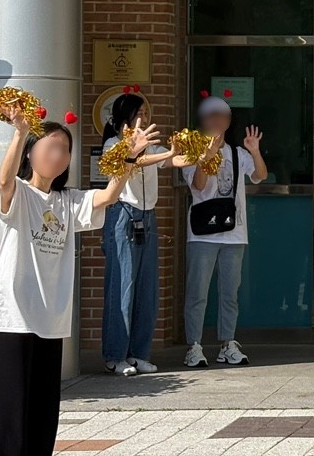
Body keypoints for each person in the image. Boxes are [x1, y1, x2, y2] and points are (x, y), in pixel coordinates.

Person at [0, 104, 156, 456]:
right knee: (10, 402)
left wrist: (128, 157)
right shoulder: (19, 193)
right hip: (13, 312)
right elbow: (4, 179)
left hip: (49, 315)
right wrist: (20, 131)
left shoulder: (67, 201)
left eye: (65, 149)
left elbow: (111, 195)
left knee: (42, 403)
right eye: (50, 146)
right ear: (32, 152)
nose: (58, 155)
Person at [99, 91, 184, 378]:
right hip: (123, 215)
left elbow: (174, 161)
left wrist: (204, 151)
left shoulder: (148, 146)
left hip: (147, 217)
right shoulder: (113, 144)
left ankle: (138, 354)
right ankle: (114, 355)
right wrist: (162, 153)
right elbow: (131, 161)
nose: (144, 119)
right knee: (122, 286)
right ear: (124, 118)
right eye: (139, 114)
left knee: (147, 288)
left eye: (145, 114)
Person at [183, 94, 267, 368]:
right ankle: (194, 346)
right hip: (202, 233)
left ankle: (227, 343)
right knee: (198, 291)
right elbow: (198, 184)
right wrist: (206, 155)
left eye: (223, 116)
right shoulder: (191, 151)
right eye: (212, 115)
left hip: (234, 233)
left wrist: (254, 150)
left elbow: (260, 176)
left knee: (230, 292)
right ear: (204, 119)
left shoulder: (237, 153)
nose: (218, 120)